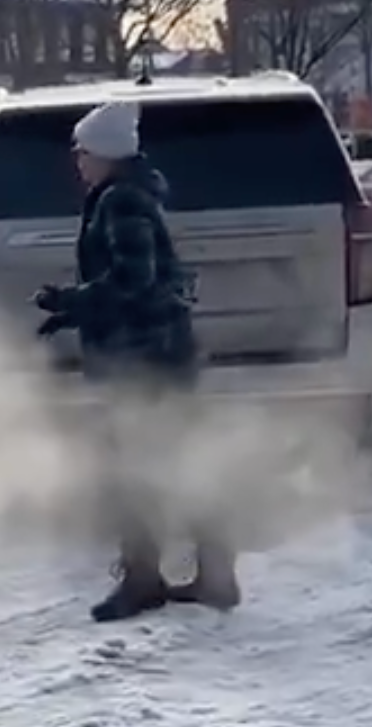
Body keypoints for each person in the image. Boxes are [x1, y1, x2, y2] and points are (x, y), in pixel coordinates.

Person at [34, 99, 238, 623]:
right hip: (154, 351)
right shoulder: (125, 194)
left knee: (135, 469)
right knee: (171, 462)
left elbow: (134, 278)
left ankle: (148, 579)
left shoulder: (121, 200)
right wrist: (74, 311)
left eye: (82, 151)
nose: (77, 160)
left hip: (145, 358)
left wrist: (73, 300)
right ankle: (211, 574)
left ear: (104, 153)